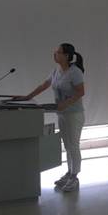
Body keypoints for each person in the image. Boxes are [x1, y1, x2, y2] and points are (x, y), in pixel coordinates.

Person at [17, 43, 85, 192]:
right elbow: (44, 85)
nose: (55, 54)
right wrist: (27, 97)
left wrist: (65, 104)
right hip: (62, 113)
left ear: (66, 56)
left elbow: (80, 92)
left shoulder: (75, 72)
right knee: (67, 145)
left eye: (58, 52)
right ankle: (69, 173)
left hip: (74, 114)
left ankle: (75, 176)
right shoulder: (56, 71)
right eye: (56, 51)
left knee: (73, 145)